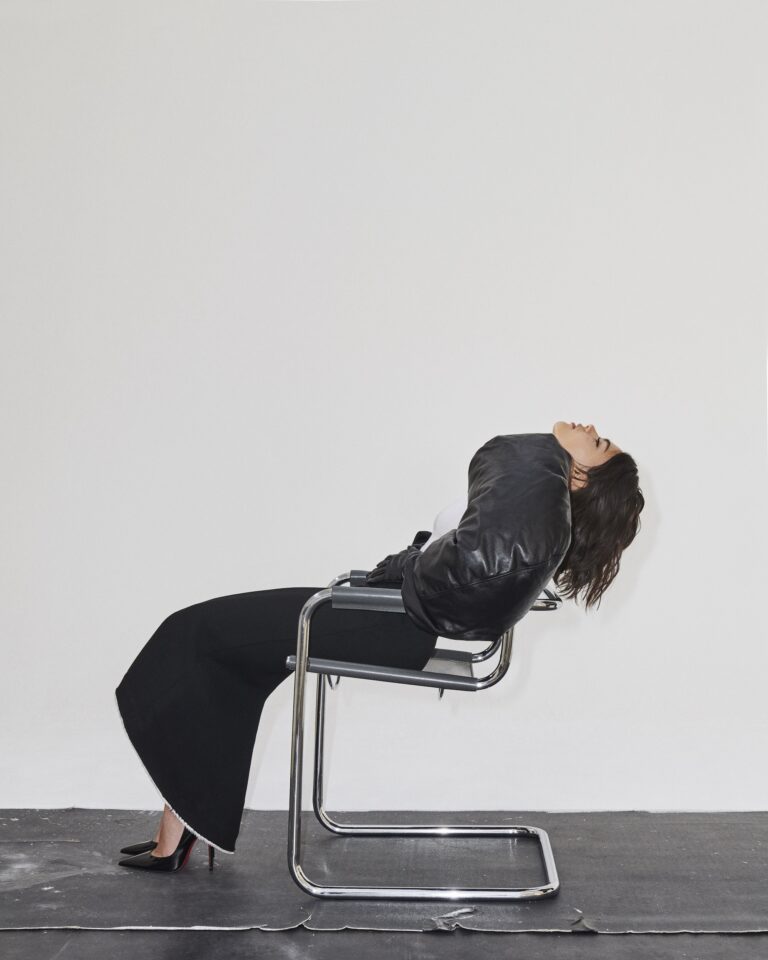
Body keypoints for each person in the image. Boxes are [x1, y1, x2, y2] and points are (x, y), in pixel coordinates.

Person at [115, 421, 643, 872]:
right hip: (387, 614)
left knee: (195, 632)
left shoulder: (536, 506)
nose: (591, 428)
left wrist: (547, 449)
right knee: (226, 656)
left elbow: (480, 565)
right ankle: (183, 826)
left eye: (598, 444)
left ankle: (177, 835)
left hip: (391, 624)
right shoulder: (535, 502)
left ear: (581, 476)